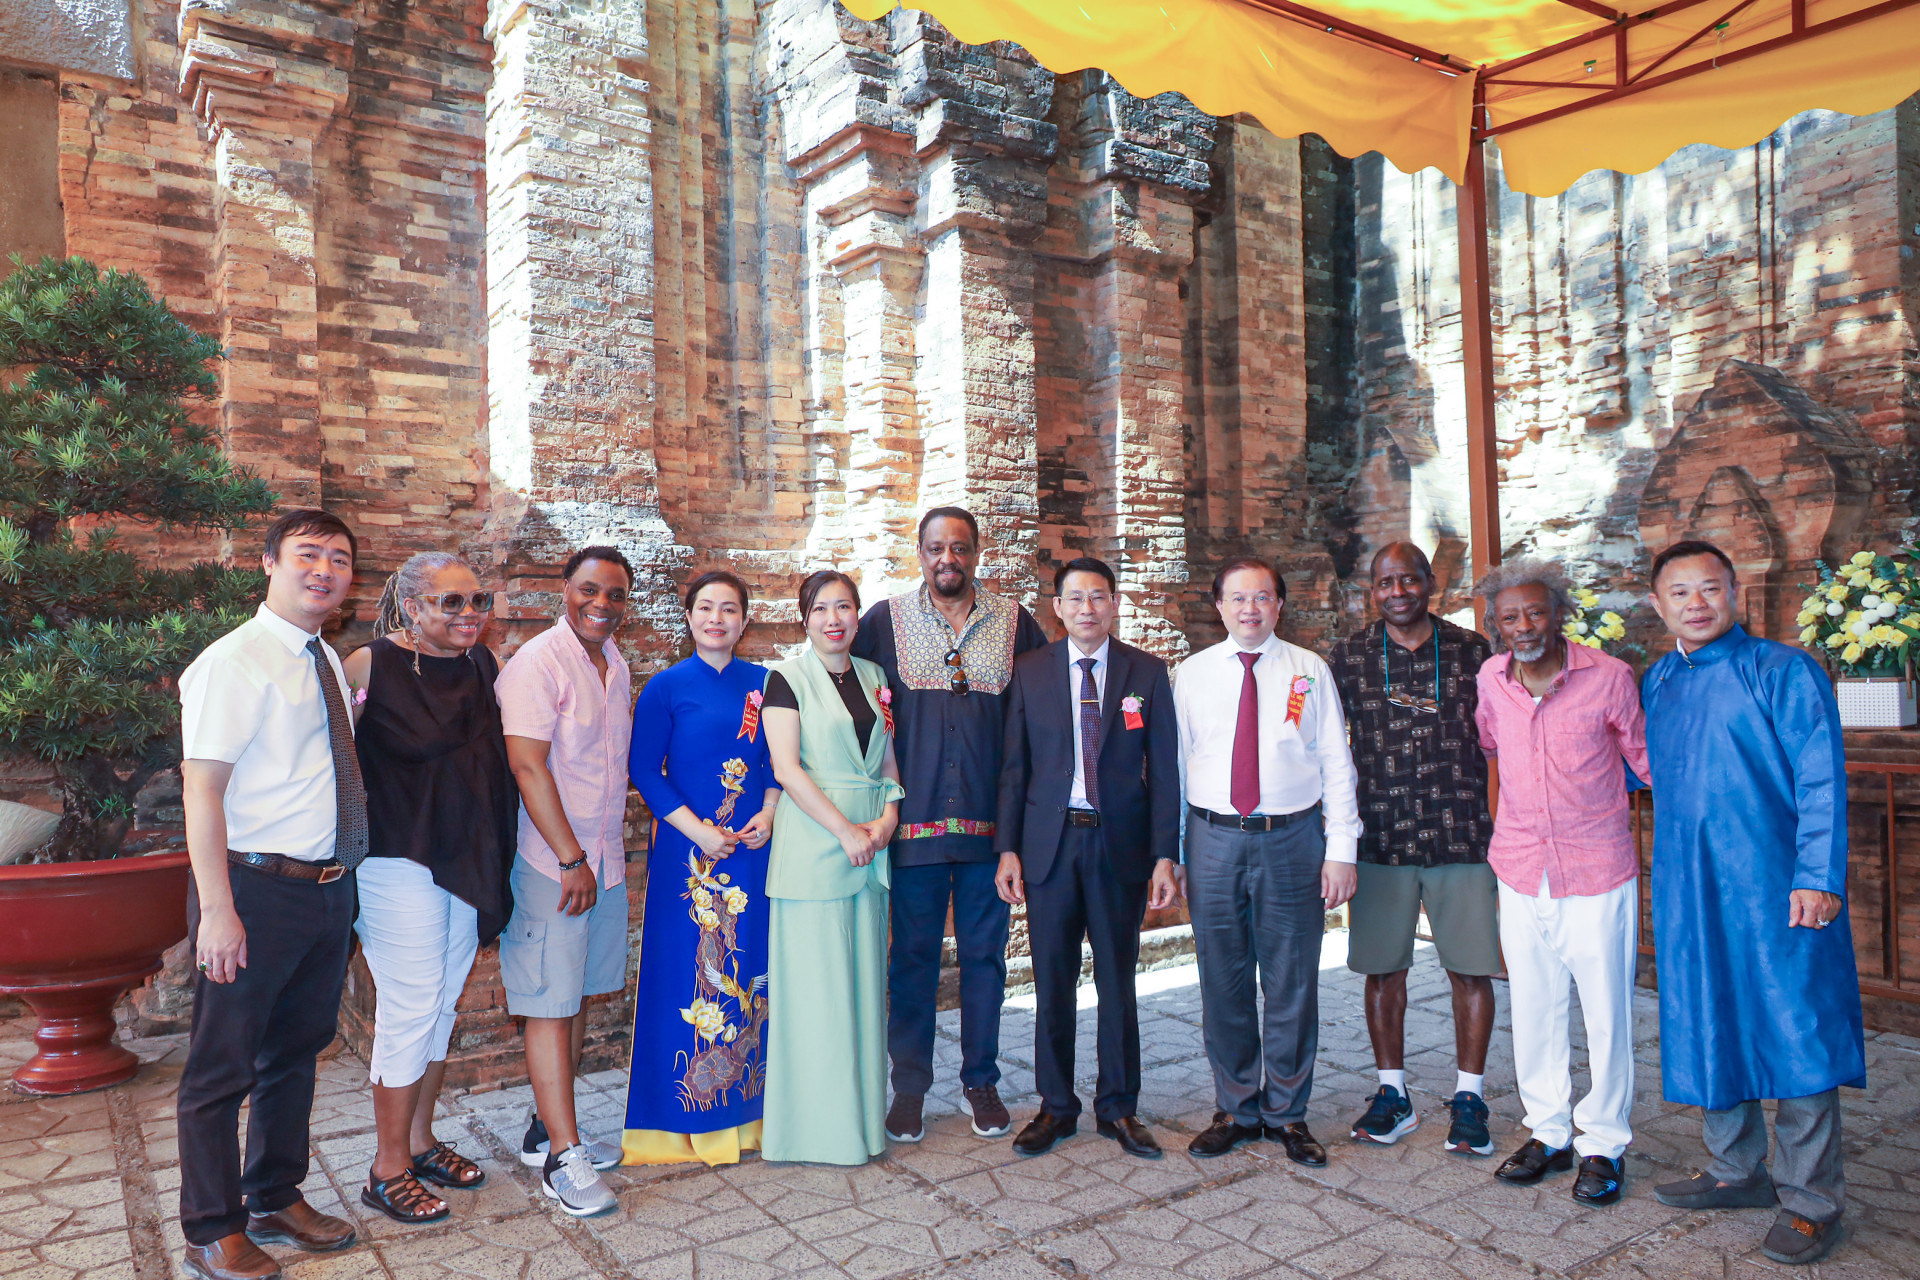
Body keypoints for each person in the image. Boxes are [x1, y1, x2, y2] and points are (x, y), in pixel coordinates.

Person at [1642, 540, 1865, 1267]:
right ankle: (1736, 1170)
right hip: (1693, 888)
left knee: (1796, 1031)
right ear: (1658, 604)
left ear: (1735, 593)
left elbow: (1822, 781)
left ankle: (1811, 1201)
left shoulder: (1784, 670)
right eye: (1681, 592)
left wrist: (1818, 877)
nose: (1697, 603)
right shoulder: (1658, 681)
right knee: (1712, 1021)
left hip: (1778, 887)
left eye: (1710, 588)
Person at [174, 509, 364, 1280]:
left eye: (340, 559)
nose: (324, 569)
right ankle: (211, 1228)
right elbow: (201, 789)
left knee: (295, 1053)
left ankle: (274, 1196)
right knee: (221, 1068)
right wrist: (216, 909)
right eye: (308, 555)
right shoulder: (237, 661)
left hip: (323, 888)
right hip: (251, 888)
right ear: (269, 563)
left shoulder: (324, 657)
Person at [850, 507, 1048, 1143]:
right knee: (910, 960)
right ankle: (908, 1089)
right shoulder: (884, 621)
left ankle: (980, 1080)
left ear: (977, 553)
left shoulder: (1016, 623)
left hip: (993, 832)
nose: (948, 560)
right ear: (920, 553)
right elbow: (849, 699)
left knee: (987, 959)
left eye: (959, 548)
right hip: (913, 830)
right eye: (936, 548)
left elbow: (1041, 720)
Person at [342, 552, 517, 1224]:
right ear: (411, 606)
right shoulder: (368, 666)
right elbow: (334, 762)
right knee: (411, 1003)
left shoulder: (482, 666)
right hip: (396, 859)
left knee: (442, 1002)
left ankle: (418, 1142)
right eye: (452, 603)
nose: (470, 615)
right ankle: (385, 1170)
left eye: (479, 601)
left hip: (464, 854)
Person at [1472, 559, 1648, 1207]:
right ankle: (1548, 1132)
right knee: (1536, 1009)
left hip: (1596, 872)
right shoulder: (1491, 680)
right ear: (1495, 626)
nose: (1525, 626)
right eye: (1510, 617)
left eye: (1536, 612)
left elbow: (1644, 758)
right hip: (1519, 870)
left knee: (1605, 1015)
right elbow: (1492, 746)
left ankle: (1602, 1142)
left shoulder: (1610, 678)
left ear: (1560, 614)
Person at [1174, 556, 1360, 1165]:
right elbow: (1177, 769)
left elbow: (1336, 762)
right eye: (1237, 598)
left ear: (1279, 606)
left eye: (1262, 597)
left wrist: (1341, 851)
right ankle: (1235, 1107)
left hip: (1293, 839)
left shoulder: (1310, 671)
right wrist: (1173, 854)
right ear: (1218, 606)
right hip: (1213, 839)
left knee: (1292, 979)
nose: (1249, 608)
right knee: (1222, 979)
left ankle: (1287, 1112)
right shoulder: (1192, 675)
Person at [994, 557, 1182, 1159]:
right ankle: (1056, 1107)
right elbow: (1014, 768)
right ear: (1058, 606)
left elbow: (1166, 771)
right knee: (1052, 981)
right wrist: (1008, 849)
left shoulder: (1146, 673)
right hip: (1050, 846)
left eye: (1098, 597)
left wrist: (1163, 856)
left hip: (1118, 846)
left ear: (1114, 603)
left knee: (1118, 980)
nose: (1086, 609)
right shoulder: (1030, 671)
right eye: (1074, 599)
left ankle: (1119, 1108)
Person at [1327, 543, 1498, 1156]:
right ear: (1372, 590)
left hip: (1460, 833)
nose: (1397, 591)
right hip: (1379, 836)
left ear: (1431, 582)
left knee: (1471, 969)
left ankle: (1470, 1097)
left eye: (1409, 579)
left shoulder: (1473, 652)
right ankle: (1392, 1094)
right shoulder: (1346, 657)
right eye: (1384, 582)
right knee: (1383, 969)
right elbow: (1323, 746)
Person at [622, 570, 780, 1167]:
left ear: (745, 620)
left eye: (729, 609)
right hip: (687, 861)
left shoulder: (766, 685)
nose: (717, 618)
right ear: (689, 618)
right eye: (706, 608)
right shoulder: (665, 687)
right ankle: (677, 1126)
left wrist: (767, 812)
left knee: (750, 974)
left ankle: (750, 1117)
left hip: (752, 852)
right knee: (684, 977)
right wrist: (699, 833)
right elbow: (646, 771)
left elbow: (777, 762)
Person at [496, 546, 637, 1217]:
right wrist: (571, 859)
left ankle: (544, 1129)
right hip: (557, 866)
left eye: (614, 594)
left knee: (575, 995)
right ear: (564, 589)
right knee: (550, 1002)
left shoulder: (615, 663)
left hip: (601, 861)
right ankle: (561, 1158)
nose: (601, 605)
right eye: (589, 590)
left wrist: (599, 860)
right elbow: (528, 768)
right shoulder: (536, 664)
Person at [761, 570, 903, 1164]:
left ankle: (864, 1124)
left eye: (844, 607)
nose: (834, 619)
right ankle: (817, 1132)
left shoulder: (873, 677)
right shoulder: (784, 678)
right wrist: (845, 830)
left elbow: (889, 762)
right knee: (817, 995)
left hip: (871, 845)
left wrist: (887, 820)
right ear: (805, 618)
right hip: (816, 844)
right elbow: (788, 770)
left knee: (865, 991)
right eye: (821, 609)